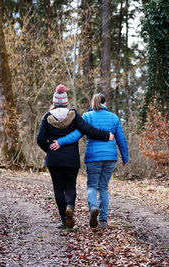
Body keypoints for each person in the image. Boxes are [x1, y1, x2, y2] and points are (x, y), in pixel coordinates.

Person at [36, 85, 114, 229]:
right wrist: (106, 135)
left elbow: (39, 139)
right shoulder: (73, 115)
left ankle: (64, 219)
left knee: (58, 188)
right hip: (71, 159)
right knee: (70, 186)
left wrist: (49, 150)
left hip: (54, 160)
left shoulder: (47, 117)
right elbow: (88, 130)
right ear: (66, 102)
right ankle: (70, 207)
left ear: (54, 101)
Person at [50, 93, 128, 229]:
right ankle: (103, 221)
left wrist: (60, 142)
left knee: (92, 186)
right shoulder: (114, 117)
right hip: (110, 157)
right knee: (103, 188)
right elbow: (121, 139)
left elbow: (76, 135)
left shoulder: (87, 116)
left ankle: (93, 207)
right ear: (105, 103)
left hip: (93, 157)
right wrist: (124, 157)